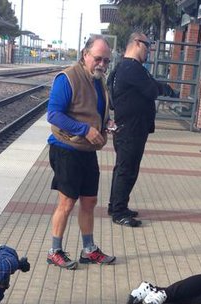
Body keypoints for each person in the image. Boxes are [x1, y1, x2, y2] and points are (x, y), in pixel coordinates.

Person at [46, 35, 116, 269]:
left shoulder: (98, 80)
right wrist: (84, 129)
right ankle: (54, 251)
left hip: (87, 150)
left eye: (106, 61)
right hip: (66, 149)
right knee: (67, 202)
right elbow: (53, 114)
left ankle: (89, 250)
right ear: (85, 54)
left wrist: (106, 123)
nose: (102, 64)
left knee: (89, 201)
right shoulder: (67, 78)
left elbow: (95, 110)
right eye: (98, 59)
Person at [106, 32, 171, 227]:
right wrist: (159, 88)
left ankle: (116, 206)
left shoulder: (124, 67)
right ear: (136, 43)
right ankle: (119, 212)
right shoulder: (131, 68)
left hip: (129, 128)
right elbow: (151, 90)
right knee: (127, 170)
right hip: (130, 129)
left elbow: (151, 85)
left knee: (123, 168)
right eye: (147, 45)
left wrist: (161, 87)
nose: (149, 50)